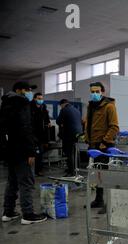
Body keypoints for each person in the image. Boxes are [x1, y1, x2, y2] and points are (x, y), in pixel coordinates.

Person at [0, 81, 47, 224]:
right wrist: (31, 152)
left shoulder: (5, 103)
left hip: (9, 150)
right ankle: (28, 214)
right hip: (22, 150)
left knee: (12, 181)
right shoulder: (21, 103)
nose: (29, 93)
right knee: (26, 182)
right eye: (27, 90)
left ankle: (8, 212)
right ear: (19, 90)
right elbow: (25, 129)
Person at [84, 82, 119, 213]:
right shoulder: (91, 106)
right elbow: (89, 124)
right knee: (97, 174)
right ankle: (99, 200)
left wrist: (105, 141)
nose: (94, 94)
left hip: (104, 145)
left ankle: (109, 204)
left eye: (97, 91)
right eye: (92, 91)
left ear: (102, 92)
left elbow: (114, 126)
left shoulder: (109, 106)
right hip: (93, 145)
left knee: (105, 175)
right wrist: (87, 138)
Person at [56, 99, 82, 177]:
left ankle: (71, 172)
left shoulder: (64, 109)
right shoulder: (76, 110)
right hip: (78, 134)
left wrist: (62, 124)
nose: (61, 107)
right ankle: (75, 168)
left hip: (69, 134)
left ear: (62, 104)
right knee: (74, 152)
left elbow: (58, 121)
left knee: (69, 153)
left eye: (60, 106)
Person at [30, 93, 50, 176]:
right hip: (32, 133)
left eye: (41, 98)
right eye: (39, 98)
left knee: (40, 153)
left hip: (41, 134)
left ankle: (39, 170)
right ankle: (31, 171)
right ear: (34, 99)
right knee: (32, 153)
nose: (40, 100)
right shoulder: (30, 107)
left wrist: (48, 122)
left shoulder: (43, 107)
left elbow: (46, 117)